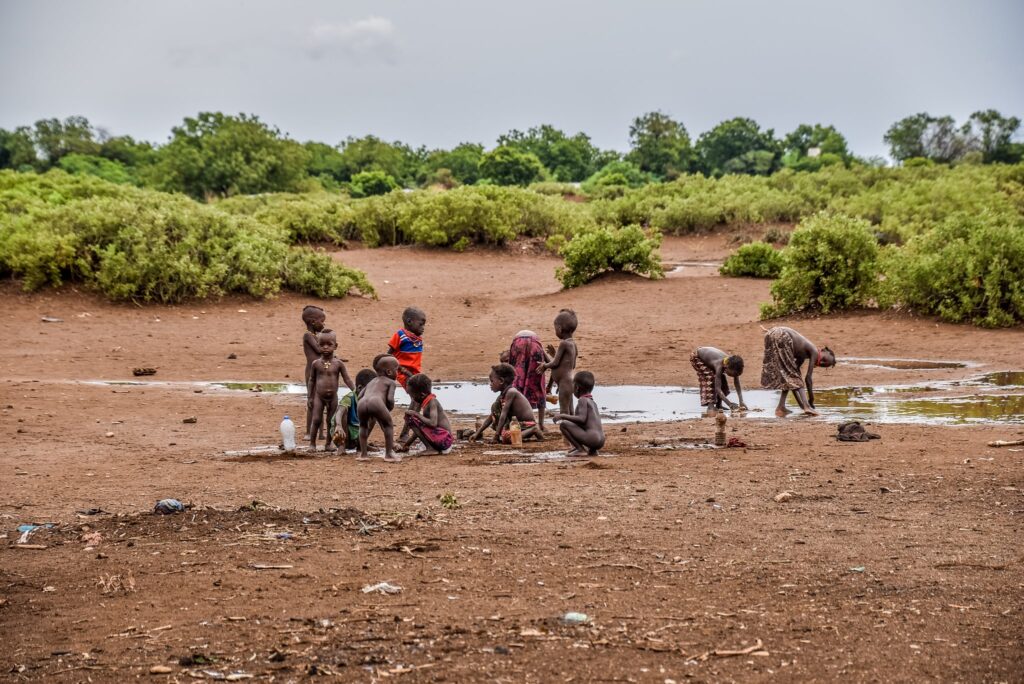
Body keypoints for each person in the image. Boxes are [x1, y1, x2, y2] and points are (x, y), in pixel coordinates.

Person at [760, 326, 835, 417]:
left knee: (788, 377)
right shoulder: (814, 351)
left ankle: (781, 407)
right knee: (793, 377)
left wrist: (801, 405)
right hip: (782, 335)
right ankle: (807, 406)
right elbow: (808, 379)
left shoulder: (802, 357)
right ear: (822, 351)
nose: (822, 362)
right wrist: (811, 399)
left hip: (771, 334)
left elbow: (792, 381)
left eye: (823, 365)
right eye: (824, 359)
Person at [472, 363, 544, 444]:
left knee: (507, 439)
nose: (490, 384)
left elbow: (503, 415)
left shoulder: (511, 392)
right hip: (516, 424)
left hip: (527, 425)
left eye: (492, 381)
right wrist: (477, 433)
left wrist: (496, 436)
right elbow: (492, 416)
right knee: (495, 407)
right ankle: (514, 434)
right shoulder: (502, 395)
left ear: (501, 381)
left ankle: (534, 430)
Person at [306, 330, 354, 451]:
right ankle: (312, 443)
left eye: (329, 344)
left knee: (331, 421)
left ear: (335, 346)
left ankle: (329, 443)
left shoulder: (338, 364)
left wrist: (356, 391)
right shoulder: (316, 363)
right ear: (318, 345)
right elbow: (312, 380)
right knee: (316, 419)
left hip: (333, 397)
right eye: (322, 345)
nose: (325, 347)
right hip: (319, 396)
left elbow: (347, 379)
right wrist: (309, 396)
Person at [387, 307, 426, 443]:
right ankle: (405, 433)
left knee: (419, 400)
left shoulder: (417, 338)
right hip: (404, 373)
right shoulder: (400, 335)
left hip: (415, 373)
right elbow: (388, 354)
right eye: (421, 324)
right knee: (416, 400)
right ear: (409, 322)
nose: (423, 328)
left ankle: (410, 429)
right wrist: (397, 369)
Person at [397, 373, 454, 455]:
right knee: (411, 419)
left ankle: (431, 448)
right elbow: (420, 430)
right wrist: (406, 445)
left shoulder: (432, 402)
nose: (412, 398)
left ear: (422, 394)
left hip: (444, 441)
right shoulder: (426, 402)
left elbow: (433, 423)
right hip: (441, 440)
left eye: (412, 395)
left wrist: (416, 414)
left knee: (411, 419)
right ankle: (430, 447)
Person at [552, 370, 605, 457]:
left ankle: (580, 449)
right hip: (600, 440)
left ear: (576, 388)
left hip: (592, 438)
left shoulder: (582, 400)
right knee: (575, 425)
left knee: (564, 425)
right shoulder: (592, 402)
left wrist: (563, 416)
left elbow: (581, 419)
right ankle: (592, 451)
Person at [358, 356, 400, 462]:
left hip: (362, 403)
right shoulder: (391, 382)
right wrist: (388, 408)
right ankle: (389, 454)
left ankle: (363, 455)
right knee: (388, 425)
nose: (398, 372)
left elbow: (359, 396)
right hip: (376, 402)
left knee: (363, 426)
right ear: (389, 372)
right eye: (397, 369)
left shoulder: (371, 382)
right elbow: (390, 399)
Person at [538, 309, 578, 419]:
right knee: (570, 410)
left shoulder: (563, 343)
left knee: (564, 411)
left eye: (555, 328)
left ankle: (567, 433)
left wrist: (544, 366)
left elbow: (555, 363)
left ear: (559, 329)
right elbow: (572, 364)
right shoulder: (573, 344)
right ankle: (574, 430)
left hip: (565, 382)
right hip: (568, 381)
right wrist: (555, 354)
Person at [507, 330, 549, 430]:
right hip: (535, 344)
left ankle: (515, 420)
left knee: (517, 381)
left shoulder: (517, 341)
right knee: (538, 384)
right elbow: (551, 363)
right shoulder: (537, 343)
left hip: (518, 342)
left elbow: (510, 368)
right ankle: (541, 424)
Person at [691, 347, 747, 414]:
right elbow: (718, 388)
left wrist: (741, 401)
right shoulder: (719, 365)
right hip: (697, 357)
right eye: (733, 374)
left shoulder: (731, 363)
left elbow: (737, 384)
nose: (734, 376)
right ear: (726, 368)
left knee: (722, 380)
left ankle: (718, 405)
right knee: (710, 378)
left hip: (709, 358)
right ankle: (710, 406)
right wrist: (729, 404)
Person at [333, 368, 376, 452]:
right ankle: (342, 446)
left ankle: (361, 444)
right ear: (359, 388)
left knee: (374, 414)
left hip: (357, 432)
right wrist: (338, 425)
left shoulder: (369, 400)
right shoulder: (349, 398)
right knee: (343, 411)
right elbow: (339, 413)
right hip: (342, 433)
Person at [300, 305, 326, 438]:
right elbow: (318, 350)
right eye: (322, 321)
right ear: (312, 322)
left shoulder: (316, 335)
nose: (324, 324)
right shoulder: (308, 335)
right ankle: (308, 432)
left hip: (320, 371)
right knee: (312, 401)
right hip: (311, 372)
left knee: (320, 401)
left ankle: (320, 432)